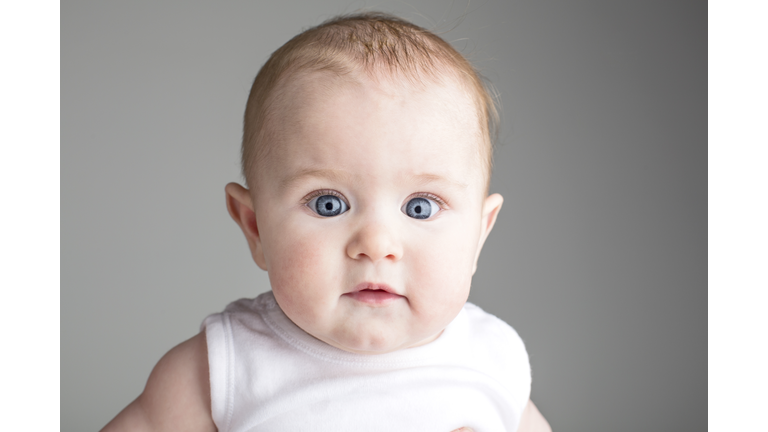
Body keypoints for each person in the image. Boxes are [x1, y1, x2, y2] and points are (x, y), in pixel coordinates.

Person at [102, 12, 552, 432]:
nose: (376, 244)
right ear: (255, 227)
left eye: (421, 206)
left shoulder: (494, 359)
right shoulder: (222, 368)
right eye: (328, 204)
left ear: (479, 233)